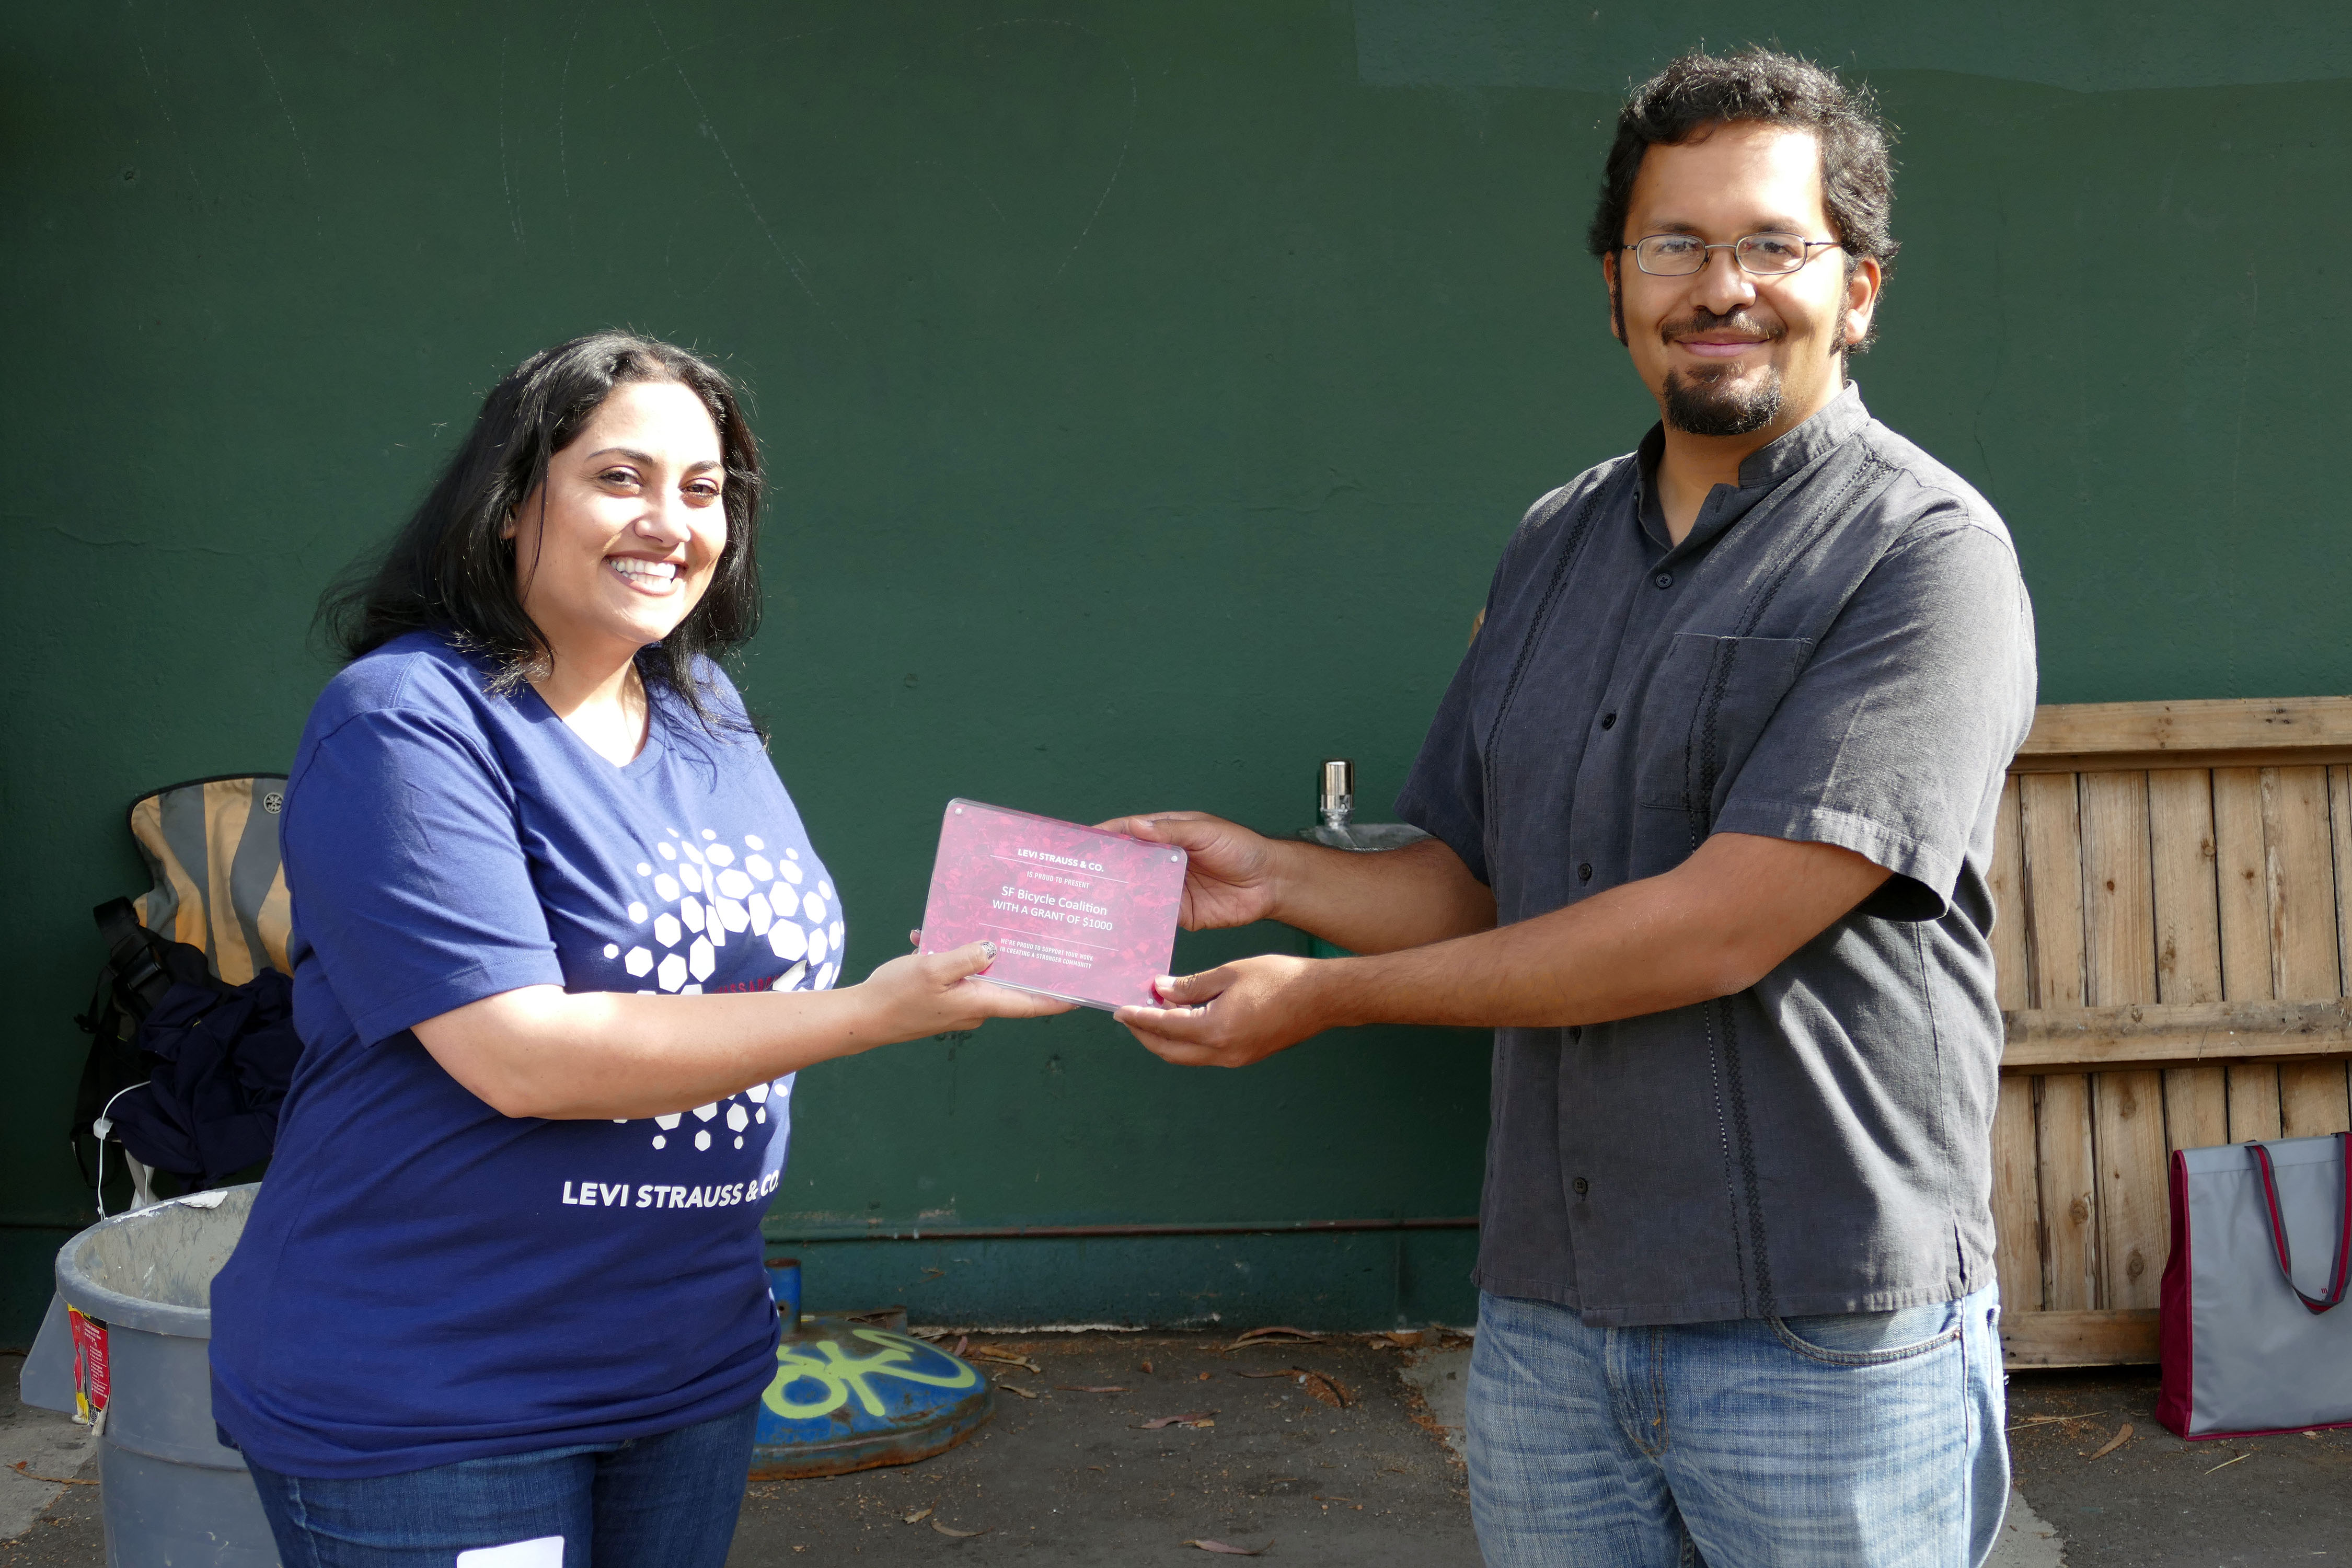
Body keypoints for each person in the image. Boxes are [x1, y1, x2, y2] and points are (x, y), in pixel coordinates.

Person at [1104, 49, 2036, 1568]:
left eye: (1771, 244)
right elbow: (1476, 885)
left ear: (1858, 289)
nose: (1719, 287)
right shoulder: (1552, 544)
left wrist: (1325, 999)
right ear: (1614, 287)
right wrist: (1268, 876)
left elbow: (1713, 931)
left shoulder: (1922, 555)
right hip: (1552, 1317)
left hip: (1816, 1327)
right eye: (1673, 245)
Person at [209, 332, 1067, 1567]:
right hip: (440, 1391)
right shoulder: (409, 719)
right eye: (621, 478)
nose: (671, 523)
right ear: (513, 501)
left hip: (686, 1368)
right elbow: (523, 1055)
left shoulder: (703, 708)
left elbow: (747, 983)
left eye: (704, 489)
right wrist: (881, 1012)